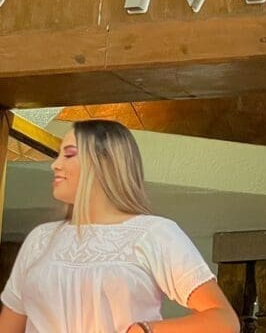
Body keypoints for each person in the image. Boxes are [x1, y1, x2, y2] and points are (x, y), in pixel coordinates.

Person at [0, 119, 239, 333]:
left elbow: (223, 321)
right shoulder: (40, 239)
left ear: (104, 163)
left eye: (69, 154)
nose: (55, 165)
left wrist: (145, 330)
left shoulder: (153, 234)